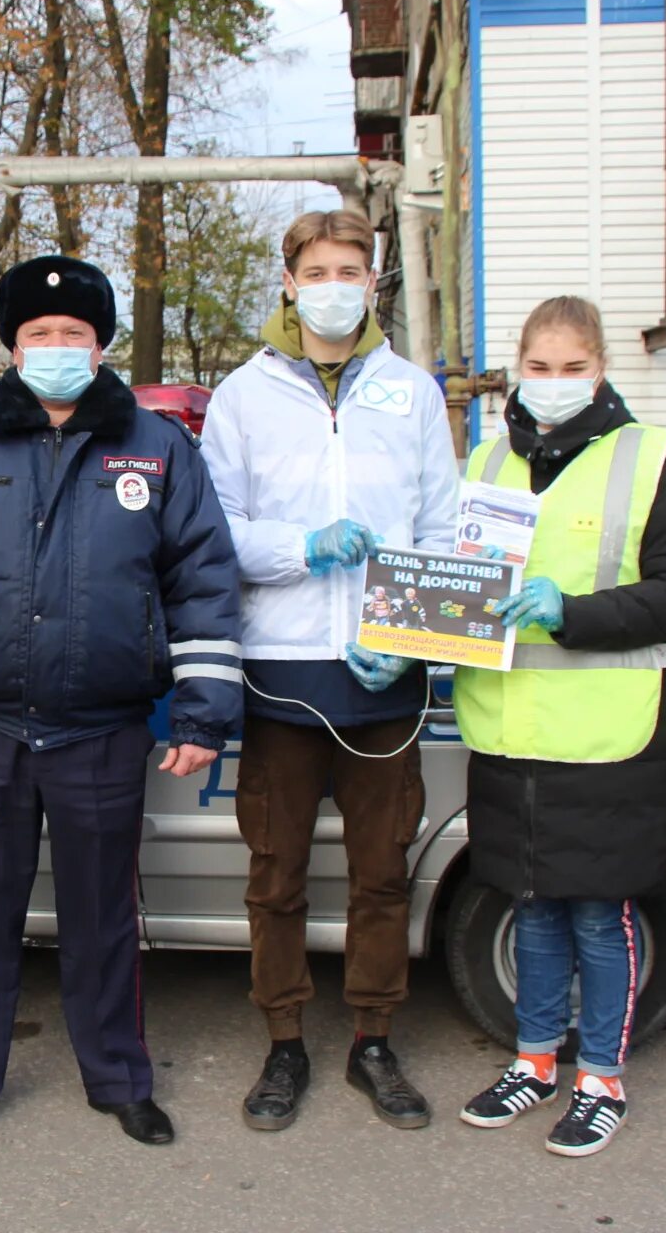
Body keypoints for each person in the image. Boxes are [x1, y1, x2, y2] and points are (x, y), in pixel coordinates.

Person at [0, 254, 242, 1156]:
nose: (55, 347)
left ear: (101, 343)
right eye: (37, 335)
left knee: (104, 918)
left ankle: (119, 1079)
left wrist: (202, 714)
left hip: (103, 729)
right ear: (8, 346)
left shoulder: (159, 449)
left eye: (72, 334)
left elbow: (202, 580)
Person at [198, 209, 458, 1132]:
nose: (335, 285)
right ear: (289, 281)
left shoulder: (412, 393)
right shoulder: (243, 396)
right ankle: (284, 1042)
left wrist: (411, 636)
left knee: (383, 872)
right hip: (280, 675)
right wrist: (302, 548)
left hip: (383, 678)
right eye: (319, 269)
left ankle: (373, 1039)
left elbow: (441, 529)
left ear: (372, 282)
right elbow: (213, 532)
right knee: (277, 873)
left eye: (352, 269)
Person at [447, 296, 666, 1157]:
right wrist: (405, 646)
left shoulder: (649, 458)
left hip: (609, 735)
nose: (554, 385)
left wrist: (573, 612)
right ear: (515, 370)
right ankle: (533, 1062)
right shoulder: (486, 460)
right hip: (510, 730)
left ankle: (601, 1077)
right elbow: (461, 591)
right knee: (530, 906)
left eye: (573, 369)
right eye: (538, 368)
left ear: (601, 371)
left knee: (601, 916)